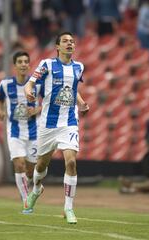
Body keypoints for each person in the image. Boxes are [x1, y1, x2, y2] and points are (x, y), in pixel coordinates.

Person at [24, 32, 89, 224]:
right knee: (41, 166)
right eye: (65, 41)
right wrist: (29, 93)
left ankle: (68, 208)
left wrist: (82, 103)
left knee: (70, 162)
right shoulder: (47, 64)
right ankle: (36, 189)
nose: (70, 43)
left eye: (72, 41)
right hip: (48, 124)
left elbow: (73, 89)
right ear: (57, 47)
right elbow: (31, 84)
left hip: (69, 122)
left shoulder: (79, 67)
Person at [0, 51, 42, 213]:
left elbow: (47, 103)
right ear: (14, 66)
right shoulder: (6, 84)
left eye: (26, 62)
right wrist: (0, 110)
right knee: (19, 164)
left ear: (29, 65)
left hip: (34, 133)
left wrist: (37, 110)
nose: (23, 64)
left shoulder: (37, 84)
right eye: (20, 62)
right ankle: (26, 201)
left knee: (30, 171)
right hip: (14, 132)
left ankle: (33, 188)